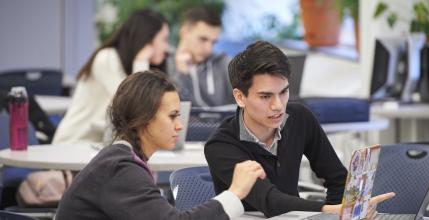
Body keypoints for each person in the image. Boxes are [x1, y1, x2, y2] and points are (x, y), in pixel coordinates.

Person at [204, 41, 395, 218]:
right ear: (240, 97)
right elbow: (270, 201)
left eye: (284, 92)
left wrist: (339, 215)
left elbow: (337, 179)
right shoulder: (220, 145)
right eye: (265, 96)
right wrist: (330, 210)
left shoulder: (299, 118)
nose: (278, 105)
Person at [56, 70, 266, 219]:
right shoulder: (121, 170)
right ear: (143, 118)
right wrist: (235, 192)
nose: (179, 126)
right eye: (173, 116)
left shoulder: (121, 160)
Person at [53, 9, 170, 144]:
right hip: (74, 144)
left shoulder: (134, 65)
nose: (166, 48)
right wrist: (141, 60)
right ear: (147, 39)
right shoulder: (106, 58)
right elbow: (134, 107)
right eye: (164, 39)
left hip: (100, 145)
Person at [169, 6, 234, 107]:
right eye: (203, 39)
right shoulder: (165, 62)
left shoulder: (224, 64)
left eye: (213, 42)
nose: (209, 48)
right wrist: (181, 75)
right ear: (184, 32)